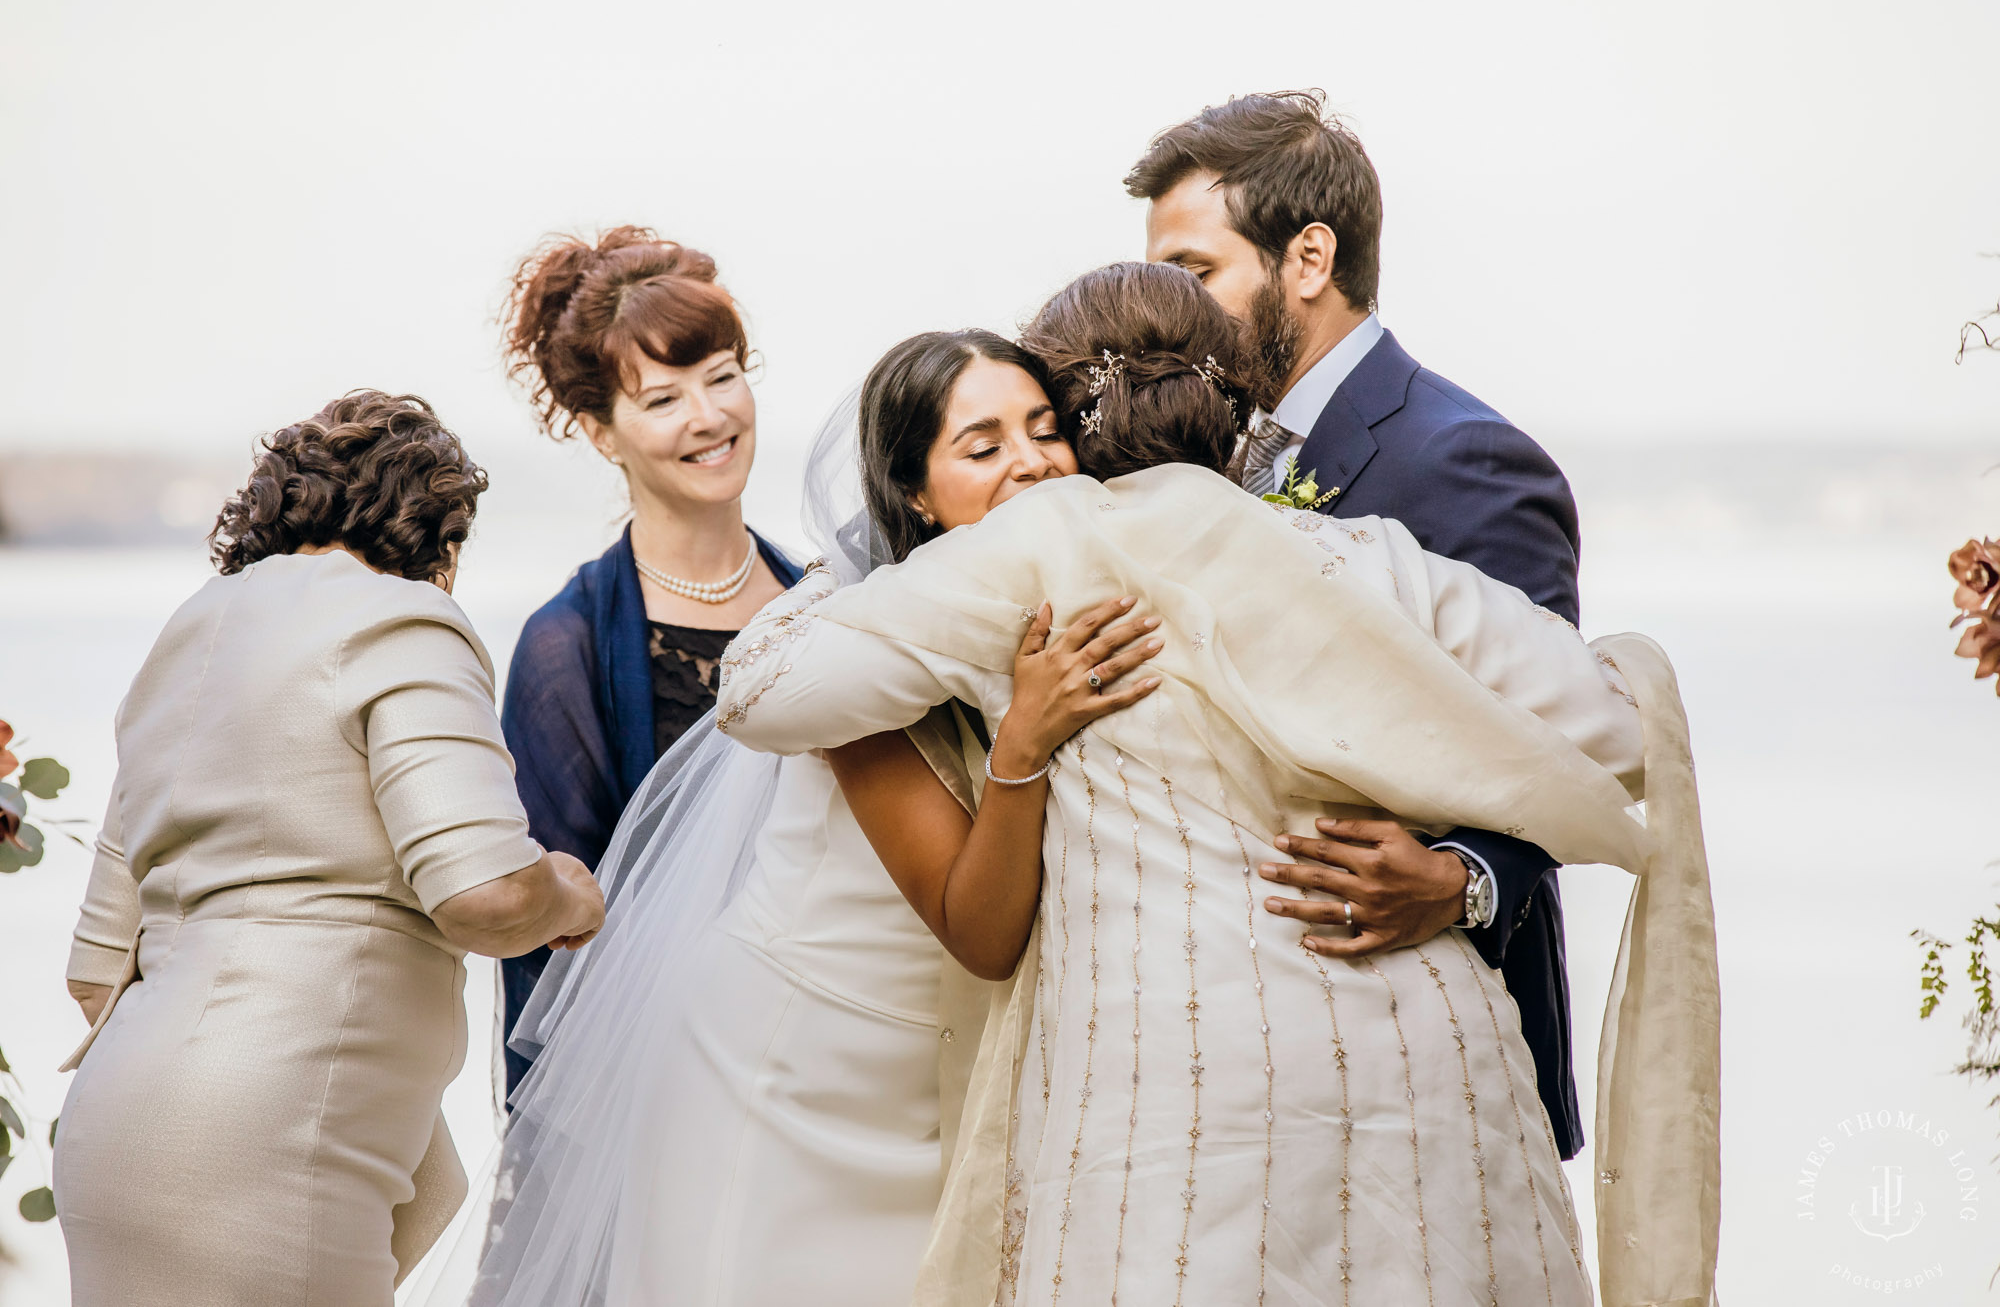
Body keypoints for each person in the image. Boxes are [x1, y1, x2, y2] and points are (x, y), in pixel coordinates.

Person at [716, 263, 1721, 1305]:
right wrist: (1458, 837)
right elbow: (1615, 725)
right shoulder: (1371, 558)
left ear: (1076, 411)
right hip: (1426, 1060)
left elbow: (758, 691)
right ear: (1242, 408)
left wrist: (872, 553)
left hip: (1180, 1085)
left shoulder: (1034, 548)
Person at [420, 331, 1159, 1306]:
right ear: (914, 494)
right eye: (981, 446)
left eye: (1042, 429)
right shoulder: (851, 651)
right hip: (780, 1083)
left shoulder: (1031, 604)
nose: (1028, 461)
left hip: (917, 1084)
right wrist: (1022, 742)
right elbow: (979, 930)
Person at [53, 392, 605, 1306]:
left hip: (114, 1138)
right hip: (266, 1144)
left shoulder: (188, 638)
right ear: (441, 534)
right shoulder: (401, 621)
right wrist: (570, 894)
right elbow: (488, 897)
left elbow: (93, 973)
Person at [1132, 91, 1593, 1156]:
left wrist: (1459, 875)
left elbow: (1558, 734)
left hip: (1434, 1054)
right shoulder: (1209, 455)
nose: (1169, 306)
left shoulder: (1463, 456)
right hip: (1255, 1057)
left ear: (1306, 257)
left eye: (1192, 272)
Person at [495, 227, 803, 1092]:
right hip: (670, 1082)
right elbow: (556, 937)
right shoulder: (569, 648)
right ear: (602, 433)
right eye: (663, 399)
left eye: (722, 378)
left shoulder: (825, 600)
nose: (709, 417)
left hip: (838, 1056)